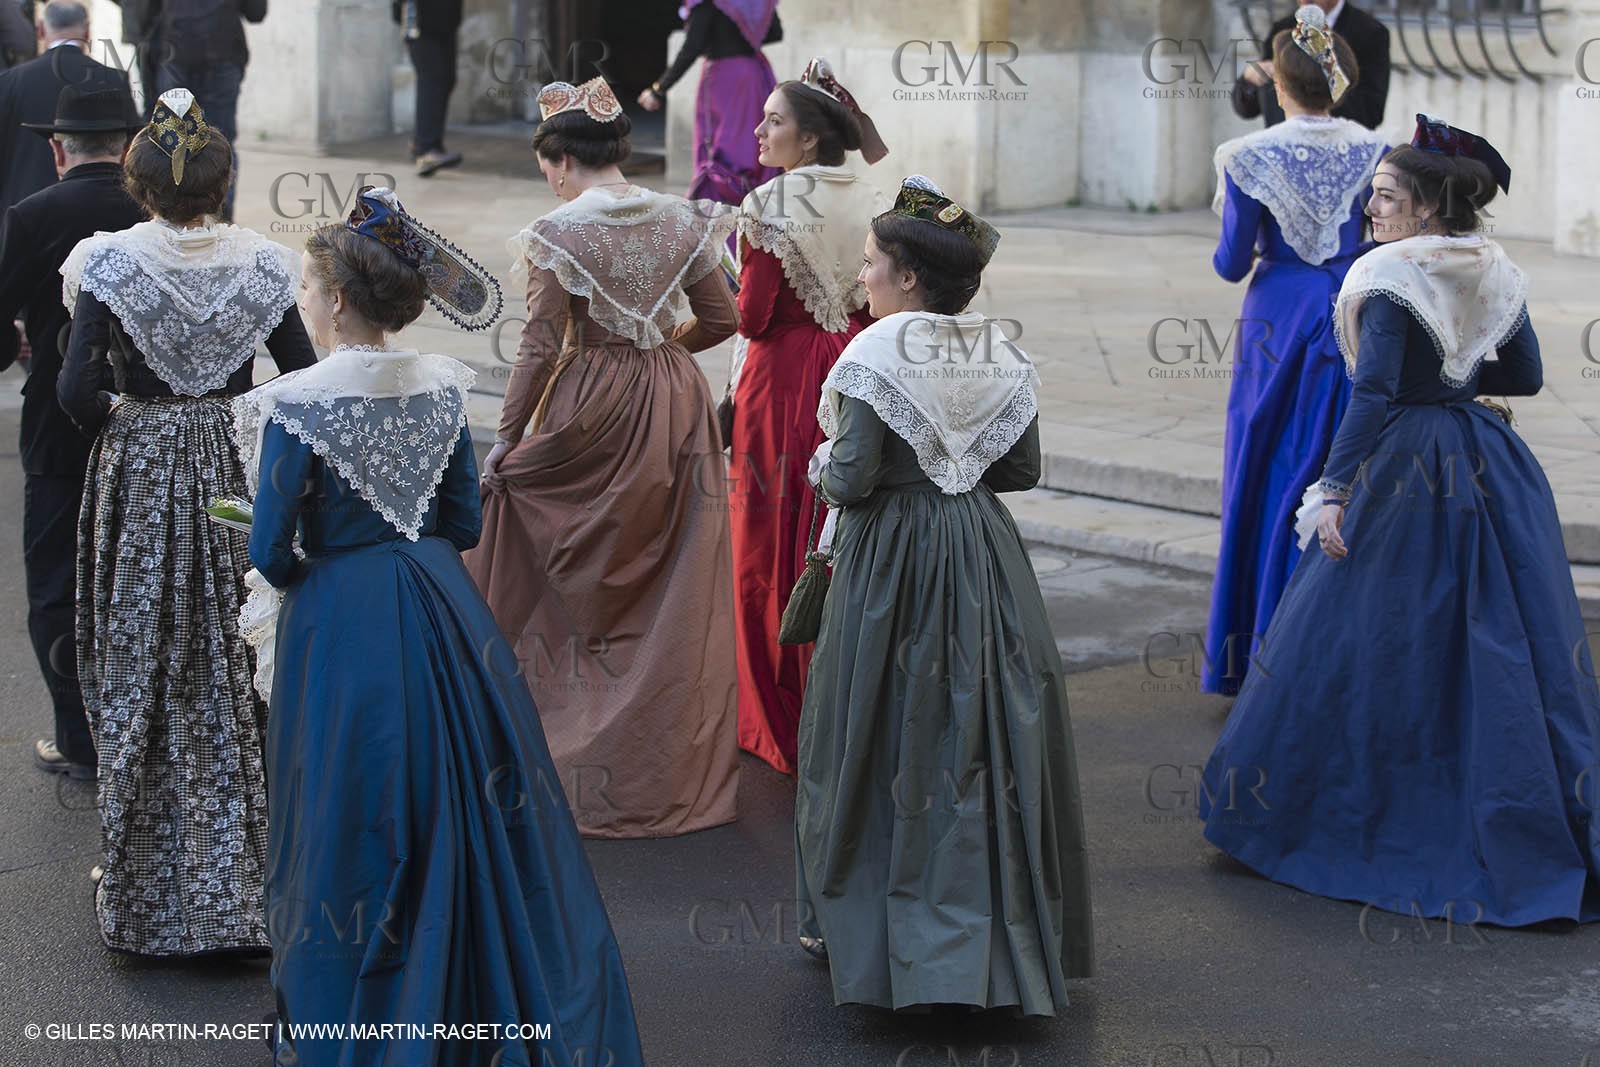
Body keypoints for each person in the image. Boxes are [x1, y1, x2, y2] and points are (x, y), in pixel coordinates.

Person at [236, 186, 644, 1067]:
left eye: (309, 285)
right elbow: (462, 520)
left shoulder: (297, 401)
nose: (303, 299)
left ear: (338, 298)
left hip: (343, 616)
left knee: (350, 811)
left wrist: (320, 561)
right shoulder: (436, 385)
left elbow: (270, 547)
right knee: (459, 799)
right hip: (443, 607)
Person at [1199, 117, 1600, 927]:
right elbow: (1523, 373)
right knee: (1499, 641)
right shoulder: (1494, 267)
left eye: (1383, 196)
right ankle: (1531, 811)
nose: (1369, 209)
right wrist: (1455, 368)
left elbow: (1374, 393)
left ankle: (1363, 816)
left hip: (1401, 465)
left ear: (1423, 208)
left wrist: (1337, 486)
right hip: (1483, 459)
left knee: (1375, 640)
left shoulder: (1388, 275)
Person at [794, 175, 1094, 1014]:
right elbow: (1021, 471)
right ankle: (997, 932)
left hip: (891, 557)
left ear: (909, 278)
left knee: (877, 728)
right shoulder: (999, 348)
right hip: (981, 553)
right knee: (982, 734)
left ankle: (880, 933)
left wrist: (825, 465)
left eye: (868, 265)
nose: (861, 280)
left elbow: (848, 478)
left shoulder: (875, 350)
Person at [56, 88, 317, 954]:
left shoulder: (108, 262)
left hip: (141, 472)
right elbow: (298, 374)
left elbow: (74, 390)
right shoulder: (264, 263)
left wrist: (138, 424)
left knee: (146, 660)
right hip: (234, 473)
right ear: (221, 179)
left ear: (140, 185)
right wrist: (229, 418)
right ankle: (251, 877)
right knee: (237, 660)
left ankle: (147, 875)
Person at [467, 76, 740, 838]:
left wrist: (508, 442)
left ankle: (562, 737)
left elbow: (539, 346)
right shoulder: (684, 218)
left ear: (559, 160)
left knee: (563, 566)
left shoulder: (559, 233)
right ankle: (655, 753)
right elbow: (724, 316)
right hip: (676, 404)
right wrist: (659, 351)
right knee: (667, 579)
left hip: (591, 405)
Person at [1202, 6, 1387, 694]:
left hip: (1277, 319)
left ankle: (1258, 654)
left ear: (1280, 85)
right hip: (1349, 308)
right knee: (1331, 466)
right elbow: (1374, 235)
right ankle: (1333, 650)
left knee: (1262, 466)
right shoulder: (1375, 148)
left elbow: (1228, 263)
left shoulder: (1249, 156)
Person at [726, 56, 887, 773]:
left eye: (775, 120)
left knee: (766, 538)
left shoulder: (768, 205)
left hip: (781, 380)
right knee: (829, 529)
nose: (759, 129)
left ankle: (774, 714)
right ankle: (841, 703)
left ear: (811, 138)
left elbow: (754, 316)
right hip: (849, 368)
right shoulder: (870, 196)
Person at [0, 81, 143, 781]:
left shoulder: (31, 214)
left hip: (57, 427)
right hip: (145, 417)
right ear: (127, 148)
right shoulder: (156, 208)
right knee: (136, 573)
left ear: (57, 148)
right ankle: (142, 726)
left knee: (58, 575)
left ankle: (77, 736)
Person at [638, 0, 781, 205]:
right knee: (749, 145)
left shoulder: (706, 2)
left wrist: (658, 89)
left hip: (724, 78)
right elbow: (775, 32)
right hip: (754, 73)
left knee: (721, 148)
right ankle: (752, 209)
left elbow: (692, 46)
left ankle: (719, 218)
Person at [0, 1, 134, 211]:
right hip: (99, 209)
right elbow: (131, 148)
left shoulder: (10, 81)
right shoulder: (114, 78)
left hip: (22, 208)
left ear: (42, 30)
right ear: (88, 30)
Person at [151, 0, 268, 222]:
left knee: (170, 141)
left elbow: (143, 11)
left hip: (175, 53)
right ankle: (220, 216)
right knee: (221, 140)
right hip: (221, 53)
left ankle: (172, 212)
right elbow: (256, 12)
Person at [1232, 0, 1389, 130]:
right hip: (1283, 145)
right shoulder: (1282, 28)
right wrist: (1249, 81)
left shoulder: (1371, 33)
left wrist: (1314, 91)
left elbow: (1372, 111)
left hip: (1337, 147)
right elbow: (1247, 109)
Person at [393, 0, 463, 177]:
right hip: (419, 17)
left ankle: (422, 144)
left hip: (444, 17)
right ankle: (426, 150)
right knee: (431, 79)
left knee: (446, 78)